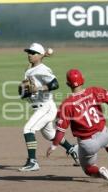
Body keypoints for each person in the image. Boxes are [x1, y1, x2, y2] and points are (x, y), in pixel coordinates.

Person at [46, 69, 108, 184]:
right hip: (103, 134)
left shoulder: (67, 104)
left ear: (67, 84)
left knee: (88, 169)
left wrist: (54, 146)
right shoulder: (94, 91)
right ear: (83, 80)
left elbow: (61, 131)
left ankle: (102, 172)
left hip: (88, 144)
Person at [18, 43, 79, 172]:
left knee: (28, 129)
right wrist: (42, 55)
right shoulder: (31, 69)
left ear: (39, 55)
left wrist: (38, 88)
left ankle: (33, 162)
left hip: (46, 107)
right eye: (28, 52)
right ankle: (73, 150)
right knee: (50, 135)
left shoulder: (43, 69)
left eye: (32, 53)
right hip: (39, 108)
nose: (29, 54)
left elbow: (55, 84)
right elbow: (32, 70)